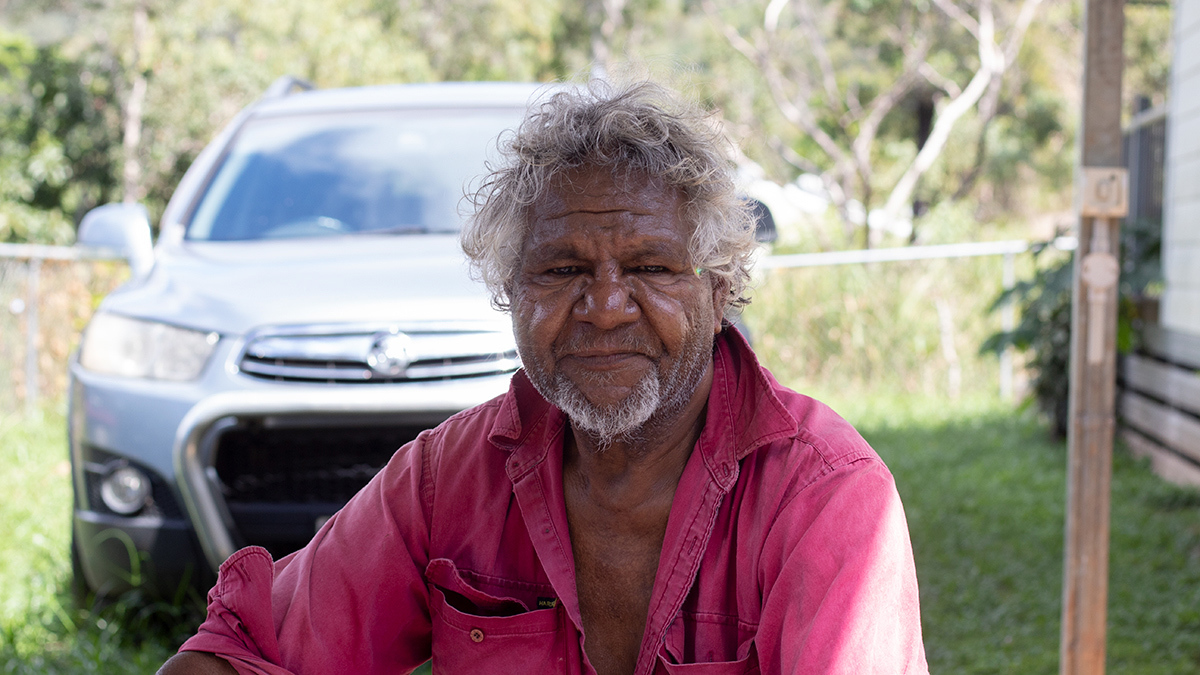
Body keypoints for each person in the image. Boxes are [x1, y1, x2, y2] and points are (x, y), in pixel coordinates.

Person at [159, 80, 928, 675]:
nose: (602, 307)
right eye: (562, 269)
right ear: (512, 291)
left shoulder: (826, 491)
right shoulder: (447, 478)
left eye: (649, 267)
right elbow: (248, 648)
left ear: (720, 287)